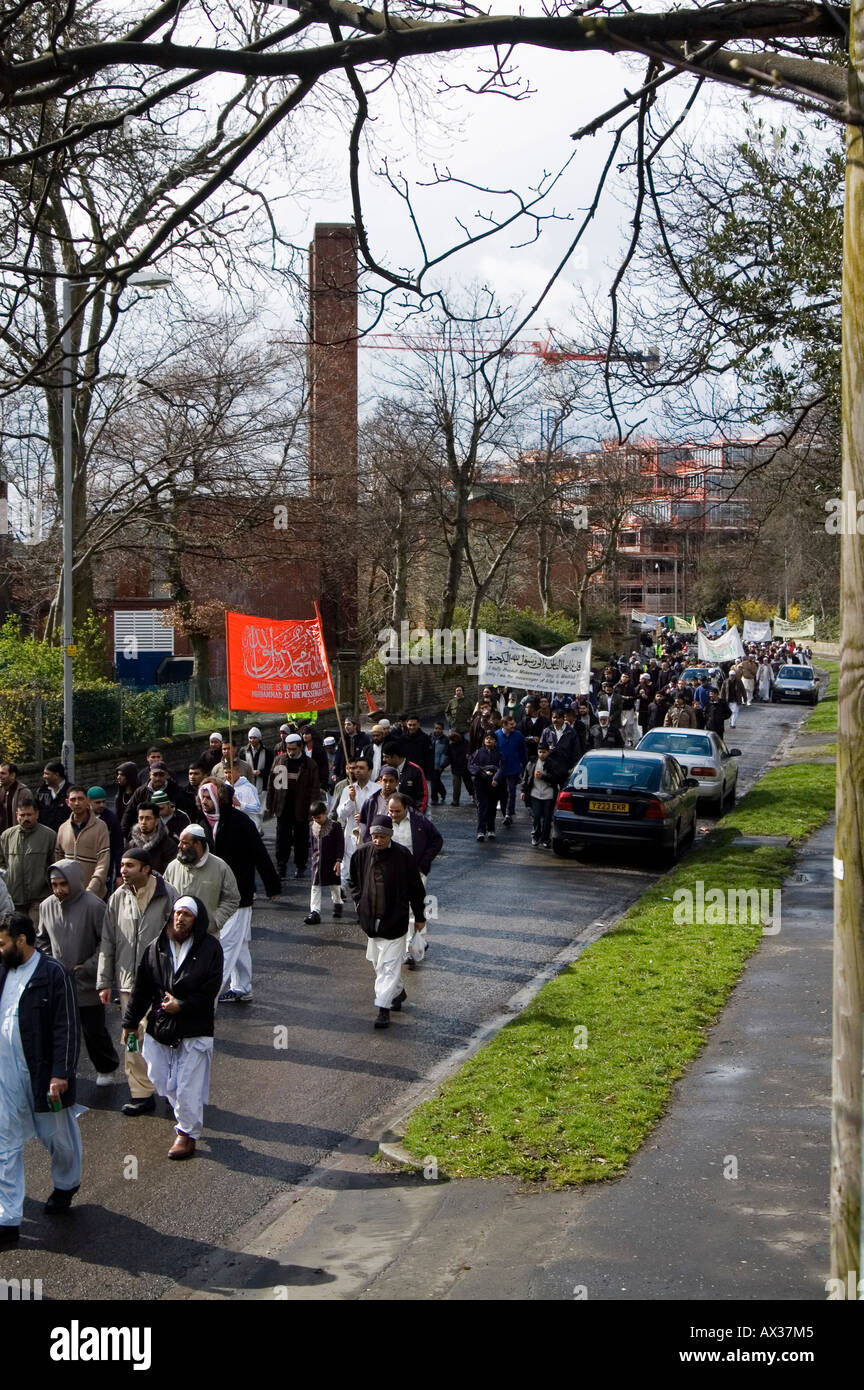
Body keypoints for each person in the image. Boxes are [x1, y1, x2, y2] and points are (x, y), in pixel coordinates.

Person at [0, 911, 83, 1246]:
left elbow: (66, 1026)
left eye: (3, 942)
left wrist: (60, 1073)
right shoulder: (3, 971)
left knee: (57, 1138)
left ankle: (66, 1184)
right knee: (4, 1145)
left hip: (43, 1073)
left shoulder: (54, 973)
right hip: (5, 1073)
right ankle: (7, 1219)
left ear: (22, 941)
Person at [122, 896, 223, 1159]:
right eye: (177, 913)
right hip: (161, 1026)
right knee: (160, 1079)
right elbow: (142, 988)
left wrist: (183, 1004)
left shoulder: (210, 948)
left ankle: (186, 1134)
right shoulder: (157, 947)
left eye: (187, 915)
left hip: (194, 1026)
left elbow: (212, 988)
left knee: (187, 1085)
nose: (180, 919)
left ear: (196, 920)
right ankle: (186, 1118)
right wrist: (130, 1023)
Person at [97, 848, 179, 1116]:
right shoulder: (118, 897)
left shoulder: (169, 895)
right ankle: (141, 1094)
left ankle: (170, 1090)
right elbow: (108, 940)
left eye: (129, 865)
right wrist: (104, 981)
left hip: (161, 984)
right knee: (131, 1038)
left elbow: (181, 939)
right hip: (127, 985)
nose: (123, 870)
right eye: (121, 865)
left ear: (146, 868)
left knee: (163, 1038)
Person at [37, 860, 119, 1085]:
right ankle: (62, 1072)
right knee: (61, 1030)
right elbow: (42, 938)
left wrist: (89, 966)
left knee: (93, 1030)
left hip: (87, 981)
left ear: (73, 881)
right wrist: (50, 963)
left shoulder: (94, 906)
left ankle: (107, 1066)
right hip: (59, 981)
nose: (58, 890)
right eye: (54, 884)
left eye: (63, 884)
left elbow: (107, 941)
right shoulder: (46, 906)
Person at [349, 815, 427, 1030]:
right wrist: (359, 901)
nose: (378, 840)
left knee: (389, 968)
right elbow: (353, 880)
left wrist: (419, 916)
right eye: (374, 836)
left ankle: (383, 1010)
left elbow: (416, 889)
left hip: (395, 922)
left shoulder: (403, 856)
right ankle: (398, 991)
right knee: (377, 964)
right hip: (370, 922)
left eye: (382, 836)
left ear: (390, 835)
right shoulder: (362, 853)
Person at [211, 783, 280, 1003]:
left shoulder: (242, 823)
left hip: (239, 892)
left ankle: (207, 993)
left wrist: (271, 885)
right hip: (216, 892)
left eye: (211, 796)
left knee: (228, 943)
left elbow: (260, 854)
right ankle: (241, 986)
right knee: (239, 943)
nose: (205, 801)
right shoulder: (206, 822)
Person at [386, 792, 442, 966]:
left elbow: (437, 840)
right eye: (391, 811)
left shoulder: (419, 821)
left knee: (413, 910)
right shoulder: (383, 821)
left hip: (416, 873)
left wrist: (424, 863)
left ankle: (413, 948)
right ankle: (405, 946)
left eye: (398, 811)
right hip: (391, 874)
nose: (393, 815)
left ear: (406, 808)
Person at [164, 826, 241, 936]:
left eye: (184, 843)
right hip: (177, 935)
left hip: (207, 936)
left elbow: (232, 899)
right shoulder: (173, 867)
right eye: (180, 842)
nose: (179, 846)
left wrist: (215, 921)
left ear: (198, 844)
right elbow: (164, 897)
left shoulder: (220, 867)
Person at [266, 732, 321, 879]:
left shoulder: (310, 764)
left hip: (302, 808)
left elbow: (315, 790)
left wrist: (313, 810)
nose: (290, 752)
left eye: (293, 749)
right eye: (288, 749)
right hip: (283, 807)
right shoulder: (279, 761)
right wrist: (270, 805)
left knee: (301, 840)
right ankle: (281, 866)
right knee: (282, 840)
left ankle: (301, 866)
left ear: (300, 747)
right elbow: (272, 784)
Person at [0, 796, 57, 923]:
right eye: (22, 815)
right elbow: (2, 863)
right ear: (17, 815)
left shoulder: (49, 836)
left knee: (35, 935)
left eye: (29, 814)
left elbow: (55, 866)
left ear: (36, 814)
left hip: (39, 899)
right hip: (15, 899)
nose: (26, 818)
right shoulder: (7, 836)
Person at [55, 785, 111, 900]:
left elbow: (103, 863)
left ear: (88, 801)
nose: (77, 803)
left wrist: (90, 891)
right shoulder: (63, 828)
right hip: (69, 896)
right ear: (67, 802)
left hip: (94, 896)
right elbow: (58, 860)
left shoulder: (100, 827)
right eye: (73, 800)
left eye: (80, 799)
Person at [334, 755, 382, 890]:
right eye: (355, 768)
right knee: (347, 867)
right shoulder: (348, 789)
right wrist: (350, 800)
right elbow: (341, 814)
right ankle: (341, 895)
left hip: (369, 835)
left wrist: (365, 818)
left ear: (370, 770)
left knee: (367, 866)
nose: (357, 771)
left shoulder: (377, 790)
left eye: (361, 768)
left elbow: (382, 813)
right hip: (350, 834)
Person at [306, 801, 345, 925]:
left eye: (319, 817)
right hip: (317, 862)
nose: (317, 820)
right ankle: (315, 911)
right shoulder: (311, 825)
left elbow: (340, 844)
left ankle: (338, 903)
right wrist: (313, 858)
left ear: (326, 814)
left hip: (332, 862)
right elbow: (313, 844)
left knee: (334, 886)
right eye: (314, 817)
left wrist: (339, 860)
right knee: (315, 886)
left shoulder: (335, 826)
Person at [86, 786, 124, 896]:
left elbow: (118, 847)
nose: (102, 805)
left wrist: (118, 873)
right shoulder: (84, 817)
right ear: (89, 801)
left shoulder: (111, 819)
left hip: (106, 865)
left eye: (103, 802)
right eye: (97, 802)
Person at [469, 731, 504, 841]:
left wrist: (496, 778)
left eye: (491, 738)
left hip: (494, 784)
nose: (488, 740)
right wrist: (482, 772)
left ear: (495, 741)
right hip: (480, 783)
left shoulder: (499, 754)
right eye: (487, 738)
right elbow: (471, 766)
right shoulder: (478, 752)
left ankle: (491, 829)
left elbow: (502, 768)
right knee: (482, 806)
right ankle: (480, 831)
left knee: (492, 807)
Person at [521, 744, 558, 847]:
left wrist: (543, 776)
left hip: (548, 794)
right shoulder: (532, 763)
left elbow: (556, 778)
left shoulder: (553, 763)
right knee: (536, 816)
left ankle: (545, 839)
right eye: (540, 752)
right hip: (535, 794)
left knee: (547, 818)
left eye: (544, 752)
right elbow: (525, 778)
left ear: (548, 752)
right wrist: (523, 791)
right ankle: (536, 836)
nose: (542, 754)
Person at [126, 802, 178, 875]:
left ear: (156, 821)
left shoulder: (168, 846)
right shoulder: (131, 845)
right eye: (141, 818)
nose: (143, 822)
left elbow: (171, 874)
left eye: (148, 818)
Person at [495, 715, 528, 826]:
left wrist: (525, 766)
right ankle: (505, 813)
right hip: (500, 770)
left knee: (511, 791)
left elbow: (523, 752)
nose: (514, 726)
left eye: (514, 723)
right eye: (511, 724)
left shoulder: (518, 735)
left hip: (513, 768)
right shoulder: (496, 735)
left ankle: (509, 813)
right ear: (504, 724)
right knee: (502, 793)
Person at [379, 739, 428, 813]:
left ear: (395, 757)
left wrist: (417, 815)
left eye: (386, 757)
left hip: (409, 815)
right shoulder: (384, 769)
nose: (384, 759)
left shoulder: (415, 770)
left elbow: (423, 796)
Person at [36, 760, 71, 833]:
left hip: (65, 834)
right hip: (45, 836)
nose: (44, 776)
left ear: (56, 775)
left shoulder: (70, 791)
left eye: (47, 774)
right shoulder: (41, 792)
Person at [242, 727, 273, 800]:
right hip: (247, 786)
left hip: (263, 788)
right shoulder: (243, 752)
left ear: (259, 738)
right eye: (250, 738)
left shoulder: (267, 752)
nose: (252, 740)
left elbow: (271, 769)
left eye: (254, 738)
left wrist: (261, 772)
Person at [0, 763, 31, 834]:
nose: (0, 776)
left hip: (16, 836)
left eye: (3, 773)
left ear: (12, 775)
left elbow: (29, 817)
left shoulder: (24, 792)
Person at [446, 730, 473, 806]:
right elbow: (449, 757)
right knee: (456, 786)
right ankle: (455, 800)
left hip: (466, 769)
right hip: (455, 769)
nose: (455, 739)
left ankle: (474, 796)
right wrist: (442, 766)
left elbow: (471, 755)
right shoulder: (451, 745)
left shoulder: (466, 743)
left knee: (469, 785)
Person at [430, 722, 450, 805]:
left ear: (442, 729)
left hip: (439, 764)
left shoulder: (445, 739)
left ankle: (434, 798)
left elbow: (445, 753)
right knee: (435, 780)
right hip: (431, 763)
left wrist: (442, 765)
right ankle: (443, 792)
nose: (437, 730)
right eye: (436, 728)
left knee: (434, 781)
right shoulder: (430, 737)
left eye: (439, 728)